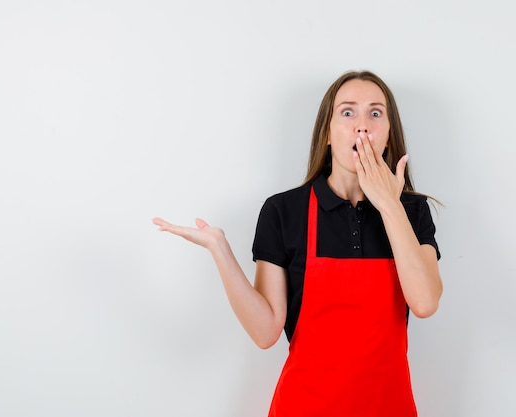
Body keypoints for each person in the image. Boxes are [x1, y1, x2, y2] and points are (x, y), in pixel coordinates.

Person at [153, 70, 443, 417]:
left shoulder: (411, 210)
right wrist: (220, 250)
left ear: (388, 134)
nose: (362, 125)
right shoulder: (284, 211)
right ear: (327, 135)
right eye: (348, 112)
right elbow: (265, 332)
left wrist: (389, 205)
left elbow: (425, 302)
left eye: (375, 113)